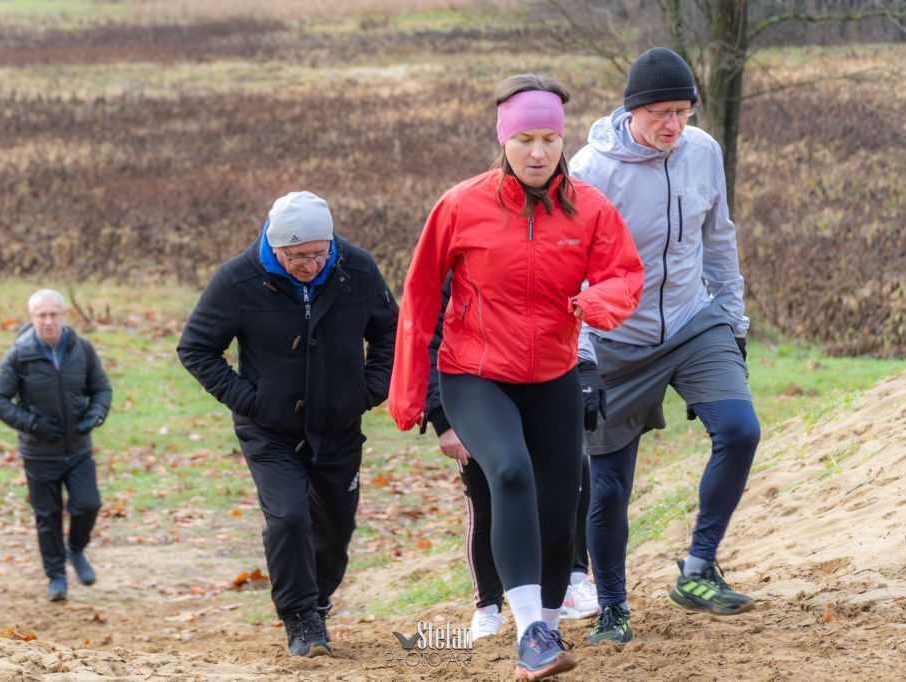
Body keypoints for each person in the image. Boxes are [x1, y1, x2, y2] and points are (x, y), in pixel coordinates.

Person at [390, 74, 644, 681]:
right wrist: (411, 393)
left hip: (553, 374)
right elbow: (420, 295)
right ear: (504, 140)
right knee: (508, 471)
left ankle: (546, 632)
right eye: (525, 139)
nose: (538, 152)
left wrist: (597, 302)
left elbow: (626, 275)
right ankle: (528, 626)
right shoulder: (460, 206)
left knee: (559, 508)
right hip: (475, 373)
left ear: (562, 141)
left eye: (549, 139)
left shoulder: (590, 208)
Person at [569, 47, 763, 645]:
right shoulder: (590, 170)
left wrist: (734, 323)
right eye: (660, 113)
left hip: (691, 320)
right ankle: (613, 608)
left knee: (741, 430)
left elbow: (719, 238)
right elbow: (569, 273)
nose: (673, 124)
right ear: (632, 111)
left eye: (682, 111)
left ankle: (699, 568)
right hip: (615, 339)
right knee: (609, 487)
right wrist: (582, 356)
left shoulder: (703, 151)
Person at [177, 191, 397, 658]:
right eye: (297, 257)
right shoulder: (237, 279)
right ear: (274, 247)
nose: (310, 265)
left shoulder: (356, 268)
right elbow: (195, 348)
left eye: (318, 253)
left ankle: (316, 601)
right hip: (270, 429)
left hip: (338, 426)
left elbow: (390, 334)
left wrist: (368, 391)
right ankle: (300, 619)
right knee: (289, 518)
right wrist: (250, 401)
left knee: (335, 531)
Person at [423, 276, 599, 642]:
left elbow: (574, 312)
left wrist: (584, 371)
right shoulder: (453, 266)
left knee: (567, 488)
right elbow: (427, 338)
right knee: (492, 492)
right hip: (476, 390)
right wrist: (442, 419)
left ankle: (572, 581)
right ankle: (488, 606)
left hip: (545, 383)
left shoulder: (548, 253)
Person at [0, 289, 111, 602]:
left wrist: (95, 415)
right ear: (32, 318)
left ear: (64, 316)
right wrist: (33, 424)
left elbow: (101, 388)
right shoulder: (19, 355)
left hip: (78, 448)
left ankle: (76, 550)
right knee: (48, 517)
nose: (48, 321)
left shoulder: (82, 349)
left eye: (54, 314)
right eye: (42, 315)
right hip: (39, 453)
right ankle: (56, 578)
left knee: (88, 505)